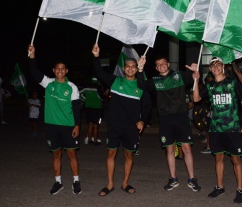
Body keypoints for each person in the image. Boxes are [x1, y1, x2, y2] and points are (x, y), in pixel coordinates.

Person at [92, 44, 151, 196]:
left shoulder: (141, 87)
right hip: (114, 125)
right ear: (124, 69)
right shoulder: (115, 81)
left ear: (136, 68)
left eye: (133, 66)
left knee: (129, 155)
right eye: (128, 66)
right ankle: (110, 184)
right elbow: (99, 72)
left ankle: (125, 183)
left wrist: (143, 121)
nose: (130, 68)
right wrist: (96, 56)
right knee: (111, 154)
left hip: (131, 127)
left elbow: (148, 106)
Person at [137, 55, 201, 192]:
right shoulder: (155, 80)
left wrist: (196, 71)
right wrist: (140, 69)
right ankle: (173, 179)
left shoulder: (179, 76)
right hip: (165, 119)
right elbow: (141, 84)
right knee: (170, 149)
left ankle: (191, 179)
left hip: (181, 117)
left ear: (168, 64)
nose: (161, 65)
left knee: (187, 149)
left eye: (163, 62)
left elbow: (194, 78)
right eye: (158, 64)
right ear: (156, 68)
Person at [192, 57, 242, 203]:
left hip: (232, 127)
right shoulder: (210, 86)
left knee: (235, 158)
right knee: (218, 157)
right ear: (210, 69)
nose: (216, 66)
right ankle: (220, 187)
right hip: (216, 128)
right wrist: (196, 80)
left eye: (218, 64)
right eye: (213, 65)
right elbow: (197, 99)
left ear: (223, 66)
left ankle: (240, 189)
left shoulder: (233, 82)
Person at [28, 45, 82, 194]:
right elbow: (34, 72)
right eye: (57, 68)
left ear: (66, 71)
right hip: (52, 126)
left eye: (62, 68)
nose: (60, 70)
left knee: (72, 154)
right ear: (54, 70)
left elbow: (76, 108)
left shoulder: (72, 87)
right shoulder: (48, 83)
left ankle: (76, 181)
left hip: (68, 126)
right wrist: (32, 55)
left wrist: (77, 125)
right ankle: (58, 182)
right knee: (56, 154)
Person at [79, 78, 105, 146]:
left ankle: (89, 140)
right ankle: (95, 141)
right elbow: (102, 98)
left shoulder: (87, 87)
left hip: (88, 108)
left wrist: (85, 99)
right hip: (97, 109)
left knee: (90, 124)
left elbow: (79, 93)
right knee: (96, 126)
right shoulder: (98, 88)